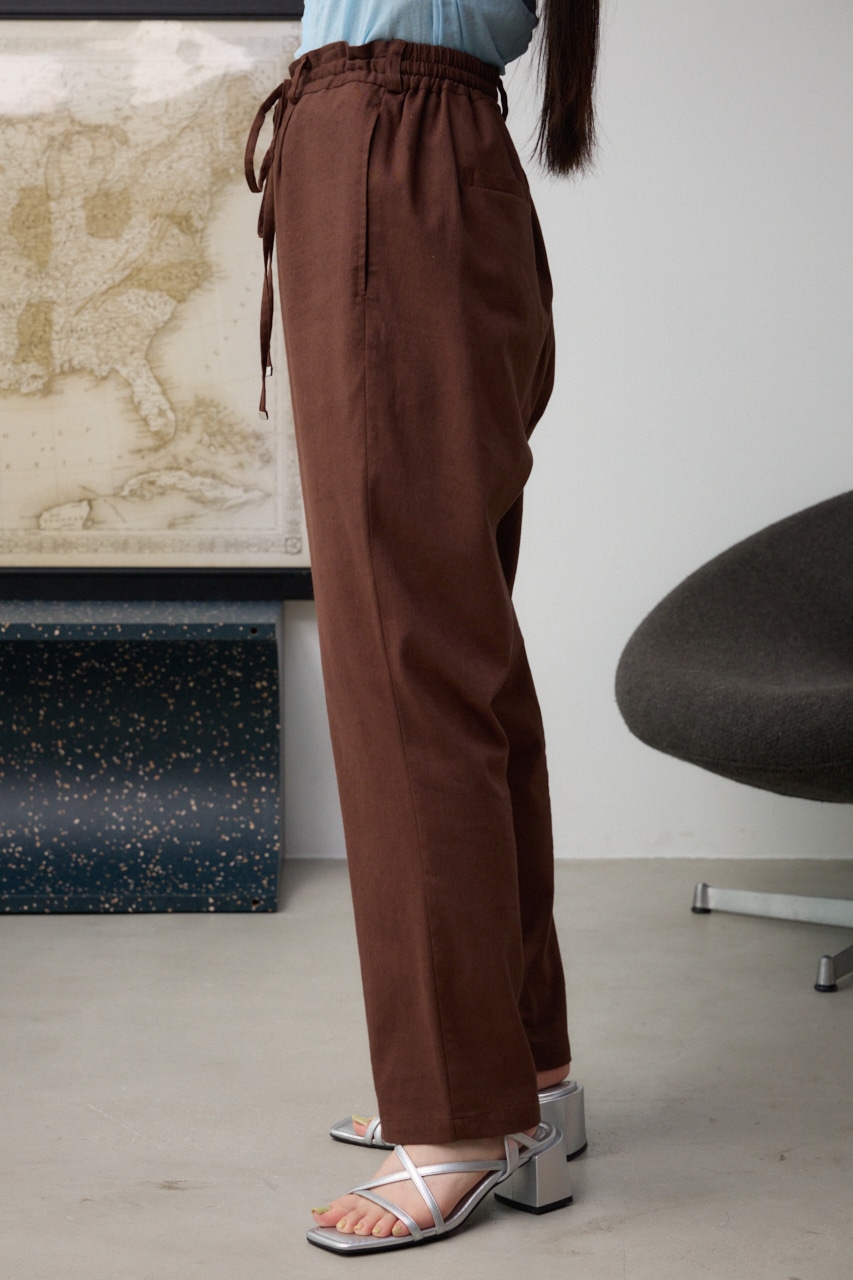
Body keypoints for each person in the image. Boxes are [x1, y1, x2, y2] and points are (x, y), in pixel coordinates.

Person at [245, 0, 599, 1255]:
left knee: (404, 667)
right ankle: (522, 1072)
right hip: (433, 159)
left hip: (384, 152)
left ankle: (457, 1117)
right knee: (460, 655)